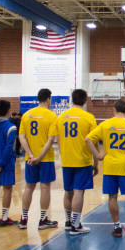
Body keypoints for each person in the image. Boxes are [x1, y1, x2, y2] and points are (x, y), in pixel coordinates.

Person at [86, 99, 125, 237]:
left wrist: (97, 156)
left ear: (114, 110)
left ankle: (117, 227)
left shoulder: (105, 124)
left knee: (112, 196)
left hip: (109, 165)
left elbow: (88, 139)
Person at [54, 89, 99, 235]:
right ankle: (76, 224)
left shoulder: (61, 117)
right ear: (85, 100)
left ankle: (68, 222)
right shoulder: (88, 117)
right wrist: (96, 161)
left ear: (71, 99)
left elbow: (58, 139)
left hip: (66, 159)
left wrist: (62, 155)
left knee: (68, 192)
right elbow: (94, 141)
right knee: (79, 191)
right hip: (82, 160)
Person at [18, 89, 59, 230]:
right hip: (45, 158)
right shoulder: (52, 116)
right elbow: (50, 140)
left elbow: (21, 137)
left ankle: (23, 219)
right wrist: (40, 157)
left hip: (30, 158)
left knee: (29, 187)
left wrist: (30, 155)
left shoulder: (27, 115)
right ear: (48, 99)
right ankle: (42, 219)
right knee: (45, 187)